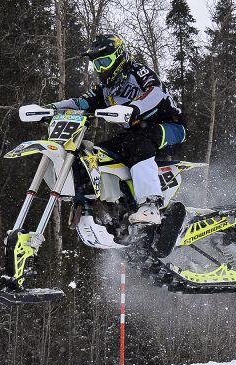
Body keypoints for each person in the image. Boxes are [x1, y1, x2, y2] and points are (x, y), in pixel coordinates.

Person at [48, 34, 186, 224]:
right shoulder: (105, 89)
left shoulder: (137, 72)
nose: (101, 69)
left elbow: (155, 91)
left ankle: (150, 204)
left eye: (104, 62)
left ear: (119, 56)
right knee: (95, 154)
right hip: (137, 134)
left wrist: (134, 108)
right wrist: (51, 108)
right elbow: (81, 102)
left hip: (171, 127)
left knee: (137, 143)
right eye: (97, 65)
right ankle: (104, 206)